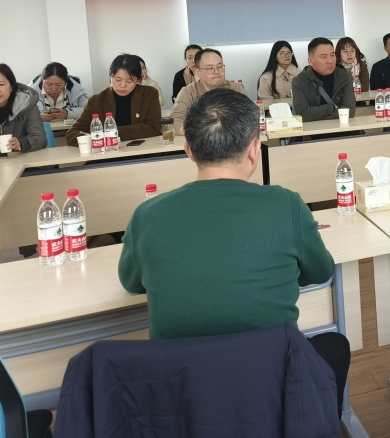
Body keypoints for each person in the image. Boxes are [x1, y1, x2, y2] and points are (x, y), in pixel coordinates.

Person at [117, 88, 350, 417]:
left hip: (182, 398)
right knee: (334, 345)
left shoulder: (148, 214)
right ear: (255, 149)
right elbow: (321, 272)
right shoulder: (286, 205)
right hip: (273, 387)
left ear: (188, 150)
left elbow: (131, 282)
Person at [66, 54, 162, 146]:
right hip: (108, 153)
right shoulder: (96, 101)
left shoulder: (149, 94)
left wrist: (111, 134)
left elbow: (153, 127)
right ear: (110, 77)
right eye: (118, 80)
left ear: (138, 80)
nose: (123, 85)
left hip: (143, 151)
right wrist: (96, 140)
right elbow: (72, 133)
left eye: (129, 80)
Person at [171, 48, 248, 135]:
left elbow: (250, 116)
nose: (216, 72)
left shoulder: (235, 88)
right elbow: (174, 122)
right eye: (210, 68)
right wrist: (202, 132)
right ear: (198, 71)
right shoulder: (188, 92)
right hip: (201, 139)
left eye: (220, 67)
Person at [291, 38, 357, 122]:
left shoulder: (344, 75)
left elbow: (350, 111)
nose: (330, 61)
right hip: (313, 129)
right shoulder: (299, 81)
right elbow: (303, 115)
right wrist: (332, 107)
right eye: (323, 57)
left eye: (332, 55)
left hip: (341, 127)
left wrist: (315, 115)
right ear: (310, 61)